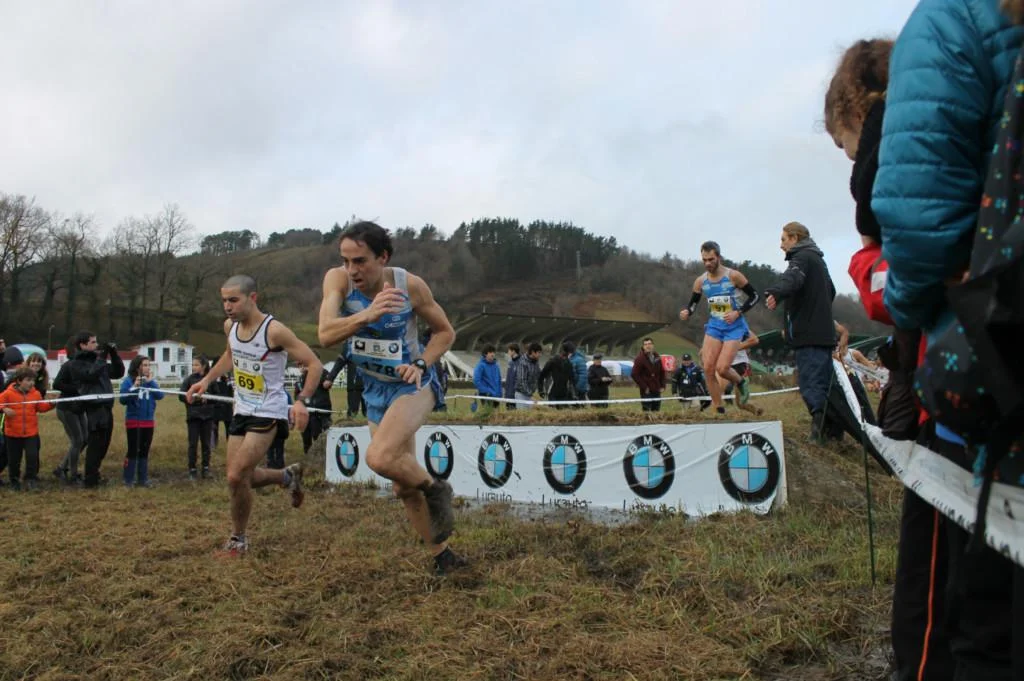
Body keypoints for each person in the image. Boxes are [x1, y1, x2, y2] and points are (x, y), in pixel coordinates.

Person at [872, 2, 1024, 677]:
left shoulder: (949, 18)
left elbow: (916, 215)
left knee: (978, 621)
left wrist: (907, 313)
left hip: (988, 372)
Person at [317, 221, 464, 575]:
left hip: (412, 384)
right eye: (346, 260)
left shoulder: (409, 286)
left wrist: (421, 362)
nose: (352, 270)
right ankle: (443, 557)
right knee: (402, 486)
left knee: (380, 457)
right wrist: (368, 314)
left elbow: (445, 332)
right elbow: (325, 334)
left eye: (360, 261)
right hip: (374, 388)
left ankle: (437, 489)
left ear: (382, 257)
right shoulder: (337, 281)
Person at [186, 275, 322, 557]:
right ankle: (286, 476)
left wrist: (301, 401)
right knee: (238, 478)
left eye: (233, 300)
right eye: (224, 301)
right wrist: (207, 380)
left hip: (268, 410)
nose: (227, 306)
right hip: (242, 408)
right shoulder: (230, 326)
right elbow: (230, 355)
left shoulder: (274, 331)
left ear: (253, 298)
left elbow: (314, 363)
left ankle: (238, 539)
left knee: (236, 476)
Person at [764, 223, 837, 439]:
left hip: (809, 335)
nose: (781, 245)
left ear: (795, 238)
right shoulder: (819, 261)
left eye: (783, 239)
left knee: (811, 384)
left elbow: (792, 278)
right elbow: (831, 290)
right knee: (824, 383)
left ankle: (818, 433)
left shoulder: (801, 258)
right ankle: (833, 432)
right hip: (823, 333)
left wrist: (776, 292)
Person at [679, 241, 758, 414]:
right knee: (708, 368)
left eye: (711, 259)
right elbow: (693, 303)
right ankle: (719, 409)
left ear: (719, 257)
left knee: (722, 369)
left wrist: (738, 312)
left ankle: (741, 382)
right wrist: (687, 311)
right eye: (704, 260)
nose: (707, 263)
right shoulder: (701, 281)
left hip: (734, 326)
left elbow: (754, 296)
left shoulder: (734, 276)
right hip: (715, 325)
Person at [52, 331, 125, 488]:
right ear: (82, 345)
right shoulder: (76, 364)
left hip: (106, 406)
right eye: (93, 342)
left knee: (104, 444)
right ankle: (89, 478)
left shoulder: (98, 361)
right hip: (94, 408)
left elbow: (117, 372)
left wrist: (114, 355)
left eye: (96, 342)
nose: (96, 345)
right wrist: (102, 357)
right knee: (93, 444)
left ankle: (94, 474)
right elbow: (91, 375)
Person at [0, 367, 54, 491]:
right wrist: (4, 409)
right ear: (19, 381)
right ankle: (14, 480)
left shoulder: (35, 394)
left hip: (31, 433)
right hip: (12, 434)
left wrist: (51, 404)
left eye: (33, 380)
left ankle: (30, 479)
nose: (31, 383)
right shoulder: (8, 394)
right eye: (28, 380)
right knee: (14, 459)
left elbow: (41, 407)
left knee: (32, 457)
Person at [119, 355, 163, 487]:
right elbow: (123, 399)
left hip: (148, 421)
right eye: (144, 365)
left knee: (144, 450)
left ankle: (143, 479)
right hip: (134, 421)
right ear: (137, 367)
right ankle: (128, 479)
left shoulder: (151, 382)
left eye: (149, 365)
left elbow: (160, 395)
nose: (147, 368)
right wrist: (134, 387)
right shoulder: (128, 381)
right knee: (133, 450)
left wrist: (151, 382)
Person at [52, 338, 88, 485]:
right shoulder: (68, 366)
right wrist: (77, 389)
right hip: (67, 408)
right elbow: (56, 384)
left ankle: (62, 467)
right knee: (77, 440)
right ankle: (73, 474)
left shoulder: (84, 366)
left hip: (79, 407)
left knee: (85, 439)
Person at [294, 356, 344, 454]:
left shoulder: (322, 373)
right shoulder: (300, 379)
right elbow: (297, 395)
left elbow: (327, 385)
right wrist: (301, 401)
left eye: (303, 364)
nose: (302, 367)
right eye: (299, 366)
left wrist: (314, 372)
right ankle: (308, 455)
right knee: (305, 436)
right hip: (306, 412)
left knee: (318, 435)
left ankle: (323, 454)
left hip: (320, 410)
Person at [180, 356, 218, 480]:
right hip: (193, 417)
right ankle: (192, 469)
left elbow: (217, 397)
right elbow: (181, 395)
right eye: (193, 365)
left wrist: (208, 398)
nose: (193, 367)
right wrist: (192, 399)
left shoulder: (210, 380)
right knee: (193, 444)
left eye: (196, 365)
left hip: (207, 417)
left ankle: (206, 468)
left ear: (203, 366)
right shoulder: (189, 380)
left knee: (206, 444)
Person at [631, 337, 665, 412]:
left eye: (649, 344)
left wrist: (662, 385)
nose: (647, 346)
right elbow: (634, 374)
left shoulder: (657, 357)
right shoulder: (640, 359)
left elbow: (662, 371)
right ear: (643, 347)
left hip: (656, 388)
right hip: (646, 390)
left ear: (653, 345)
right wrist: (644, 387)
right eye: (645, 344)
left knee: (656, 410)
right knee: (647, 411)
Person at [539, 342, 575, 408]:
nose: (571, 355)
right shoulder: (553, 361)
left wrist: (573, 393)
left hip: (563, 393)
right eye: (571, 353)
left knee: (562, 412)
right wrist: (541, 390)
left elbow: (571, 380)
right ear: (568, 352)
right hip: (552, 391)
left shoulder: (569, 364)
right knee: (552, 411)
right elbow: (542, 375)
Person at [472, 344, 502, 410]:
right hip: (486, 395)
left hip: (496, 395)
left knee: (496, 415)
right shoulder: (480, 366)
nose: (493, 354)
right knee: (488, 414)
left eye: (493, 352)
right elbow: (476, 381)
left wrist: (500, 393)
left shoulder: (496, 366)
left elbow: (499, 380)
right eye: (490, 352)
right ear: (485, 354)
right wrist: (486, 391)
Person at [513, 342, 542, 408]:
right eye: (539, 352)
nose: (540, 355)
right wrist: (531, 395)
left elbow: (538, 375)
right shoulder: (523, 362)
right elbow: (522, 382)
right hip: (521, 395)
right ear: (533, 352)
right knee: (522, 413)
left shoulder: (536, 362)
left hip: (530, 394)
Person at [503, 344, 521, 410]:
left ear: (513, 351)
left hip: (516, 395)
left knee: (515, 413)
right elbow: (508, 379)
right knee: (508, 411)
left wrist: (515, 392)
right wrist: (506, 393)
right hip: (508, 394)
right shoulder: (510, 363)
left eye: (509, 350)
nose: (508, 352)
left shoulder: (521, 363)